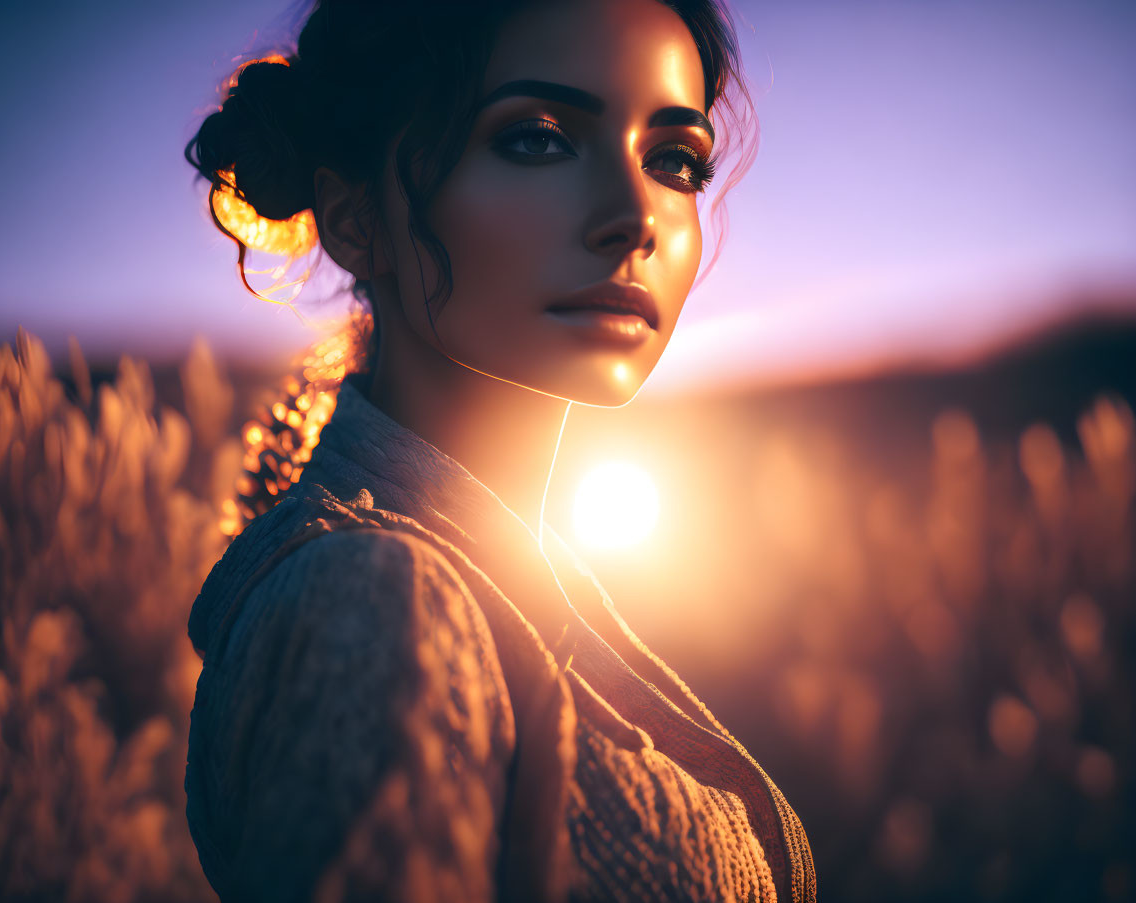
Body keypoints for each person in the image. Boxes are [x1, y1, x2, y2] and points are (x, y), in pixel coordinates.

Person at [183, 0, 816, 900]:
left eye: (673, 159)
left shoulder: (523, 572)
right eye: (537, 138)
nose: (635, 216)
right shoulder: (368, 590)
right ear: (356, 217)